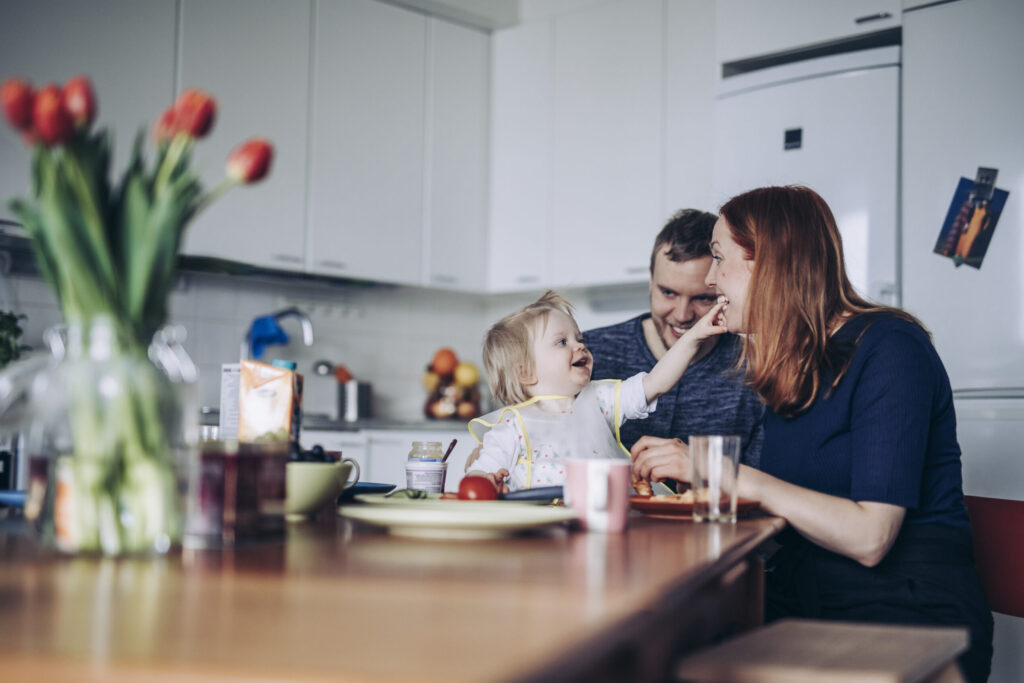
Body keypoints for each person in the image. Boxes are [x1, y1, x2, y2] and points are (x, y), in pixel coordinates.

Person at [630, 186, 993, 683]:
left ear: (770, 264)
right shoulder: (795, 366)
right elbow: (799, 503)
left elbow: (870, 538)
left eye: (718, 259)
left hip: (903, 612)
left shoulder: (889, 348)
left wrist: (722, 471)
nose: (711, 280)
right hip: (808, 602)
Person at [466, 290, 726, 492]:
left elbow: (657, 382)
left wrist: (694, 338)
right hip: (540, 538)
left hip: (603, 521)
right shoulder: (511, 428)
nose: (580, 347)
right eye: (562, 342)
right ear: (526, 372)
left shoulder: (600, 399)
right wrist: (490, 481)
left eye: (579, 339)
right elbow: (477, 479)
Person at [584, 209, 764, 467]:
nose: (682, 315)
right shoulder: (587, 355)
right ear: (650, 279)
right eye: (668, 293)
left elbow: (765, 486)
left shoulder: (756, 370)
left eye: (703, 298)